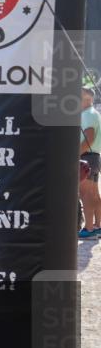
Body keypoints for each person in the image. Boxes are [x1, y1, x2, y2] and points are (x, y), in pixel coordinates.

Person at [80, 87, 101, 238]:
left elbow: (89, 137)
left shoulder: (87, 114)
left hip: (86, 156)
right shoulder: (93, 113)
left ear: (87, 98)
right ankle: (98, 226)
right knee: (93, 194)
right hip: (94, 157)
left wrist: (74, 154)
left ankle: (89, 229)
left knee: (86, 194)